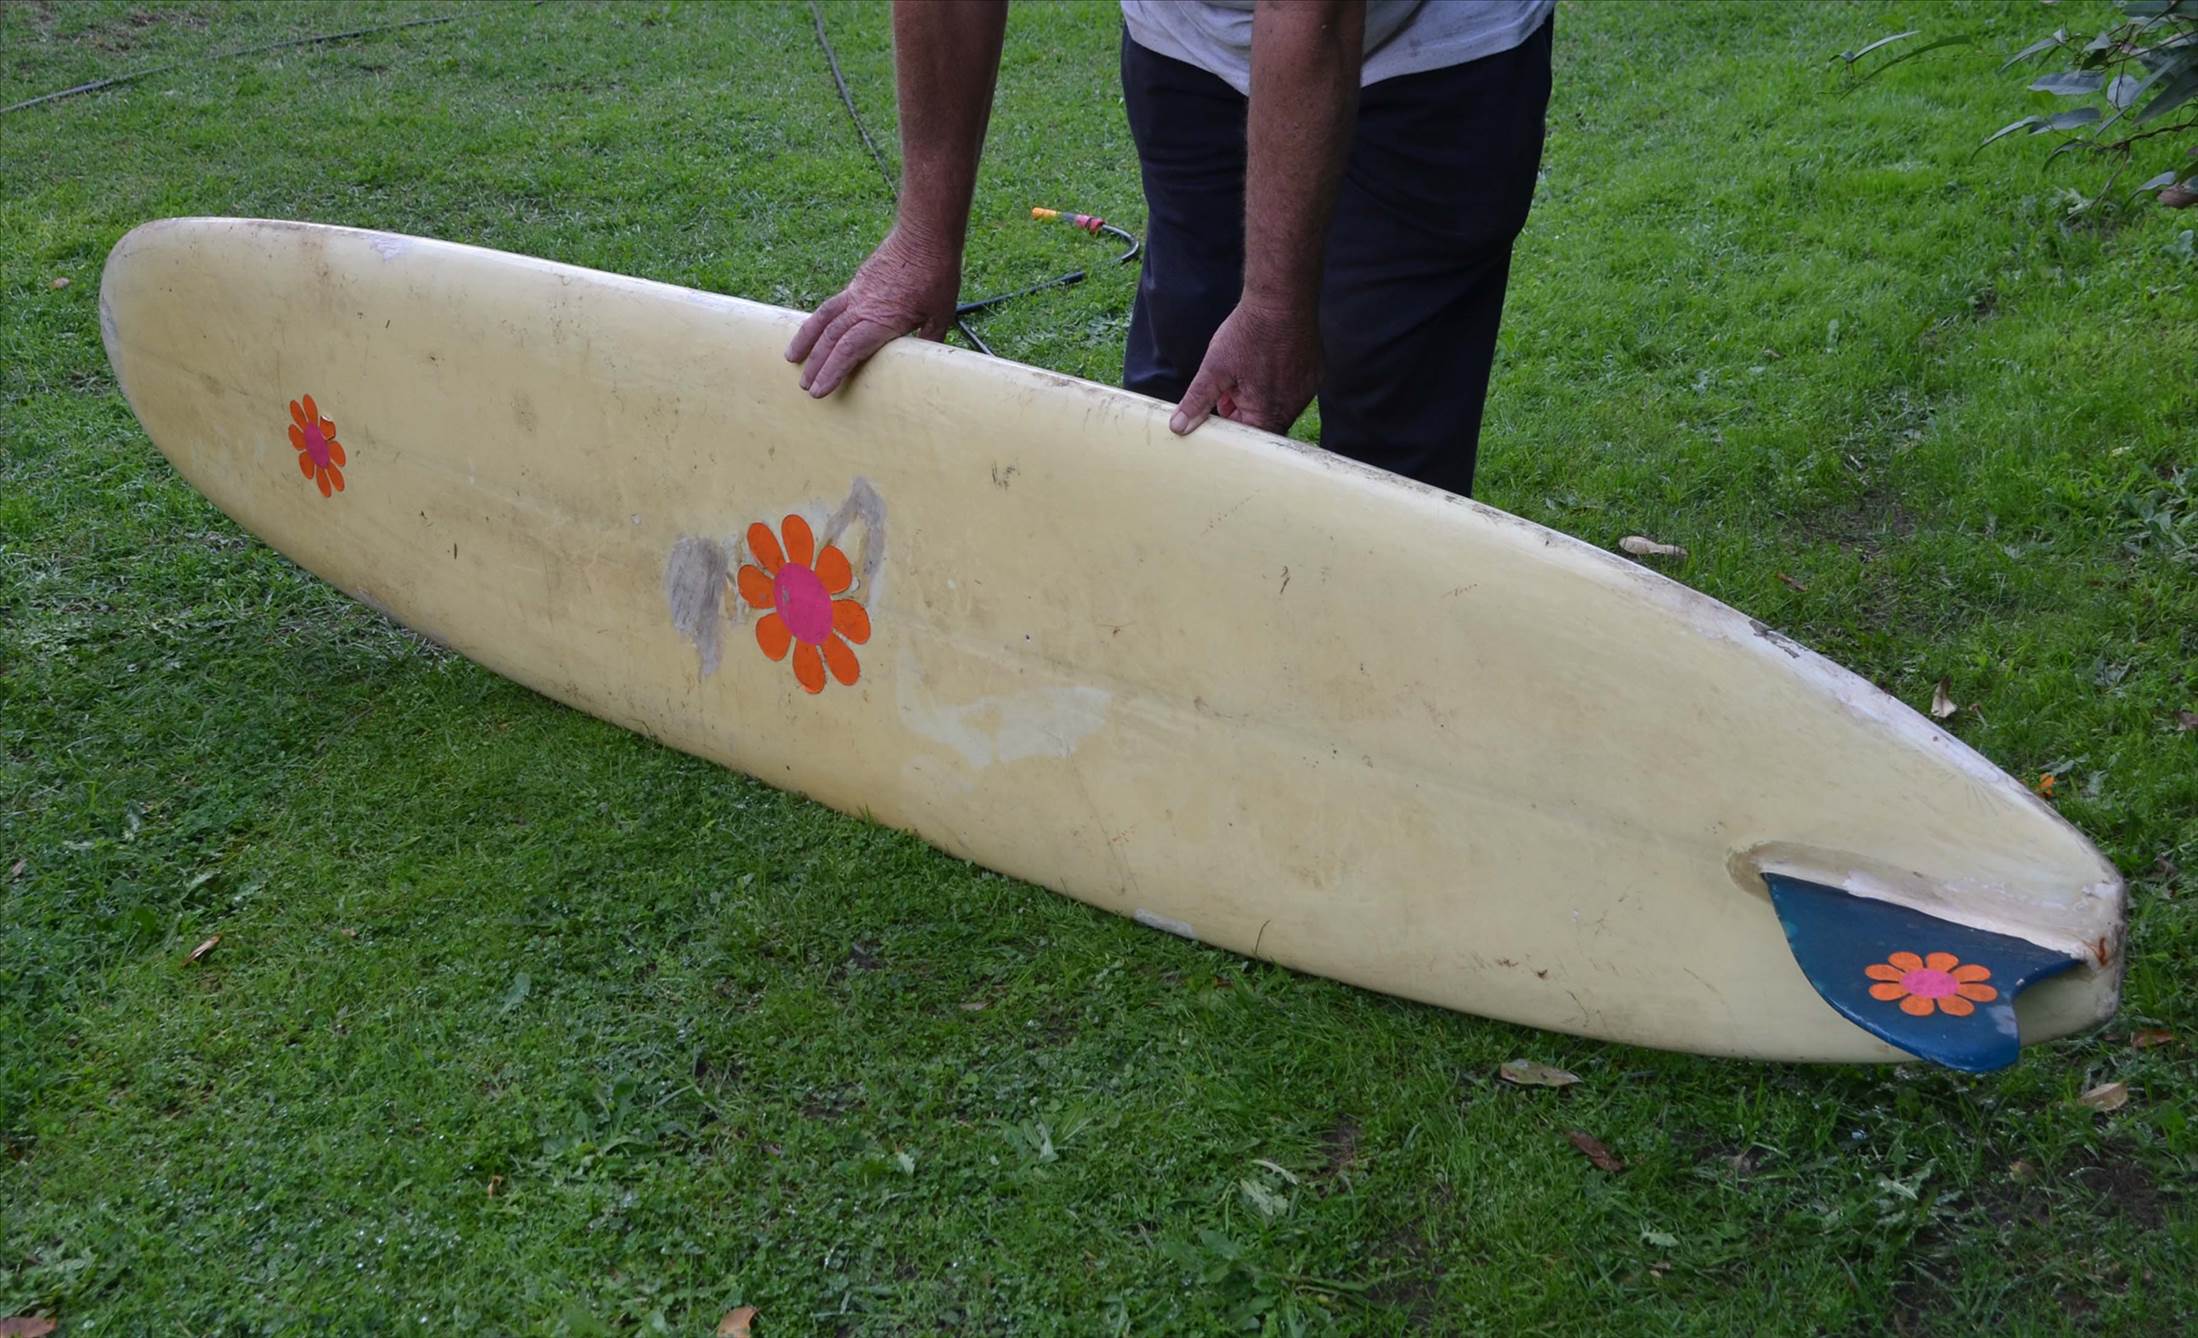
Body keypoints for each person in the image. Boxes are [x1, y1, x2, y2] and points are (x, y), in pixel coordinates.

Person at [786, 0, 1553, 500]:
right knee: (1179, 399)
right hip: (1189, 45)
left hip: (1439, 52)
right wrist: (925, 235)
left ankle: (1375, 703)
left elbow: (1310, 14)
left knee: (1391, 456)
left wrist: (1277, 307)